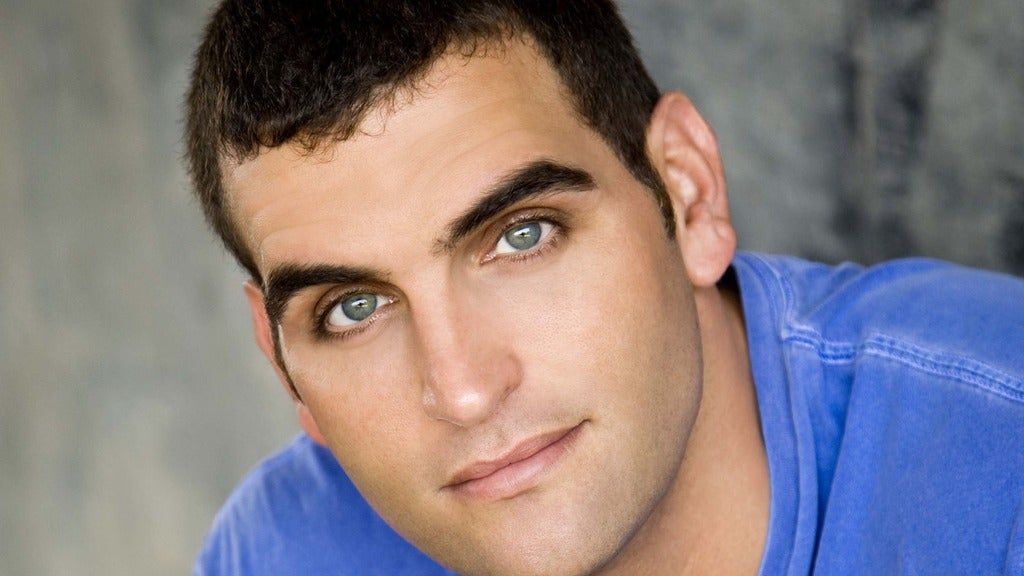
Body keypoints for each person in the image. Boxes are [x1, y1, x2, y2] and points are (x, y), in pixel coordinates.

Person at [184, 2, 1024, 575]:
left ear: (688, 193)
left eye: (522, 235)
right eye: (353, 309)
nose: (465, 392)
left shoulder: (1002, 458)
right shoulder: (283, 553)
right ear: (281, 360)